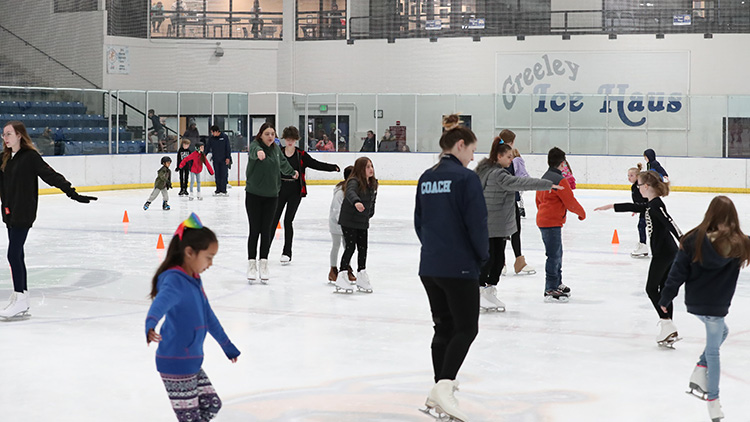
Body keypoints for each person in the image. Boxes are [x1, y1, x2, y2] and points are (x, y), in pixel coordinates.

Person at [414, 114, 488, 422]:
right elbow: (477, 224)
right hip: (458, 266)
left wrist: (433, 250)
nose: (473, 157)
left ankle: (438, 390)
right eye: (471, 150)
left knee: (443, 327)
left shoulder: (427, 177)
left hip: (430, 265)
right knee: (466, 327)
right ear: (459, 145)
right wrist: (482, 258)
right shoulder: (466, 178)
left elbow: (419, 222)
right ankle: (444, 389)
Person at [658, 196, 750, 422]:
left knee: (722, 335)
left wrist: (666, 297)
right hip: (717, 306)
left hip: (697, 304)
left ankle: (700, 369)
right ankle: (713, 401)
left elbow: (677, 272)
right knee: (714, 352)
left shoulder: (692, 240)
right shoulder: (741, 242)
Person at [145, 213, 240, 422]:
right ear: (189, 252)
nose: (211, 263)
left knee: (212, 404)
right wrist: (150, 324)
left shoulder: (193, 280)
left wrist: (227, 345)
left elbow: (208, 317)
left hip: (192, 361)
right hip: (175, 361)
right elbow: (160, 304)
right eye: (208, 257)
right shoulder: (174, 281)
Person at [0, 121, 97, 320]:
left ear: (19, 135)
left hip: (23, 212)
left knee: (13, 254)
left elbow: (51, 176)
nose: (5, 138)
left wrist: (73, 194)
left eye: (9, 134)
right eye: (3, 134)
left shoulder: (30, 157)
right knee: (17, 255)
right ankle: (22, 297)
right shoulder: (5, 157)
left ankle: (20, 298)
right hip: (9, 212)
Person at [595, 170, 683, 346]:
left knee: (651, 289)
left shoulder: (656, 205)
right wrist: (612, 206)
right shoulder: (651, 204)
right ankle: (669, 329)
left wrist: (684, 240)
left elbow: (670, 222)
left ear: (647, 186)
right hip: (667, 252)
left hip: (664, 254)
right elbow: (635, 207)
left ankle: (667, 324)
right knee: (664, 290)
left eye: (639, 185)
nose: (638, 188)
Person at [475, 141, 560, 312]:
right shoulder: (498, 174)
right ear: (499, 157)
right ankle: (479, 292)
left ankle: (489, 291)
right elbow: (521, 183)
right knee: (492, 260)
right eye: (508, 157)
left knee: (497, 260)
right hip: (491, 224)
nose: (511, 160)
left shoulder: (488, 171)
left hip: (495, 224)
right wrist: (546, 184)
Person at [271, 126, 340, 264]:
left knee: (287, 221)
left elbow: (315, 164)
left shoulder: (300, 154)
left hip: (295, 191)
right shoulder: (278, 153)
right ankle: (264, 251)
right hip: (280, 190)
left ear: (296, 140)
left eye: (293, 139)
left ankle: (287, 252)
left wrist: (332, 167)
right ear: (284, 139)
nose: (290, 142)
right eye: (288, 139)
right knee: (273, 221)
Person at [245, 123, 298, 283]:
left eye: (272, 134)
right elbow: (255, 152)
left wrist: (292, 172)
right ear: (261, 134)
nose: (270, 137)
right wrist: (259, 152)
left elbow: (283, 164)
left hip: (272, 196)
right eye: (267, 133)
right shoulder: (255, 146)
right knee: (255, 230)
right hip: (254, 195)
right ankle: (252, 264)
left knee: (267, 231)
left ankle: (264, 263)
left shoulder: (276, 150)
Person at [536, 147, 586, 302]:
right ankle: (550, 288)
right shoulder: (560, 180)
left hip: (545, 220)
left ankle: (557, 282)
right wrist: (581, 213)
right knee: (553, 255)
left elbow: (538, 201)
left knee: (556, 253)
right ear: (563, 163)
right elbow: (570, 202)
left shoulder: (544, 177)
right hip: (551, 222)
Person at [333, 156, 377, 293]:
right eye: (367, 167)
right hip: (349, 219)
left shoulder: (373, 183)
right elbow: (350, 192)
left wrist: (369, 214)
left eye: (371, 166)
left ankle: (362, 274)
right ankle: (342, 275)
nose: (371, 169)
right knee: (350, 247)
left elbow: (372, 202)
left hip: (362, 220)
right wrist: (356, 202)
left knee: (363, 247)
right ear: (360, 169)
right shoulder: (354, 181)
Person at [496, 130, 536, 275]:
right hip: (503, 201)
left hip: (507, 200)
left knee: (514, 231)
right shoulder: (504, 158)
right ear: (511, 142)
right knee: (506, 233)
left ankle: (518, 261)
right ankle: (501, 263)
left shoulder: (501, 157)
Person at [328, 165, 355, 283]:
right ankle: (333, 270)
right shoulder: (340, 192)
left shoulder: (352, 190)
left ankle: (346, 268)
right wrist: (343, 222)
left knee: (348, 246)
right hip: (337, 223)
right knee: (336, 245)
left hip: (347, 223)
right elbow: (336, 210)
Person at [628, 163, 649, 258]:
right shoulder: (634, 187)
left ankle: (643, 245)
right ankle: (643, 245)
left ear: (637, 176)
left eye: (631, 175)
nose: (629, 177)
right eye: (628, 175)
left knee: (642, 225)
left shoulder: (640, 185)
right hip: (643, 209)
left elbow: (645, 198)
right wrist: (636, 208)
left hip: (648, 209)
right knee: (641, 226)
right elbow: (637, 200)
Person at [206, 125, 231, 196]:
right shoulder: (211, 139)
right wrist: (203, 155)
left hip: (224, 159)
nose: (212, 134)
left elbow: (228, 148)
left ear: (217, 131)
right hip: (216, 159)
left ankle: (223, 190)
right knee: (217, 174)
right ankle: (218, 189)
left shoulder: (224, 137)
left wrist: (228, 157)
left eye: (213, 132)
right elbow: (207, 148)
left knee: (224, 174)